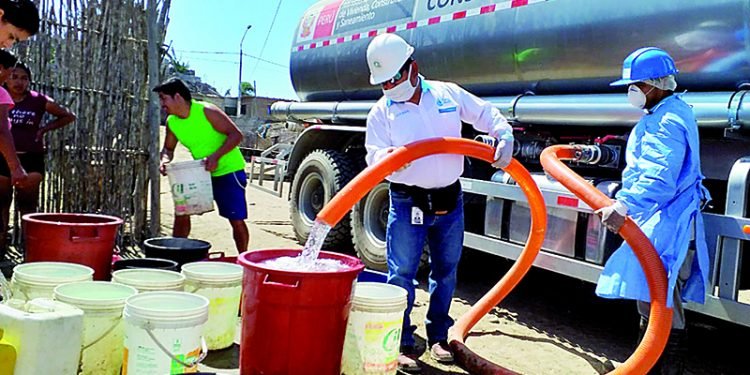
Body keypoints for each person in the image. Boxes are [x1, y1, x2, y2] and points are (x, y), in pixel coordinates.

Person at [364, 33, 514, 373]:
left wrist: (502, 132)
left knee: (446, 272)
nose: (389, 85)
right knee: (401, 274)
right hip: (407, 201)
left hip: (449, 197)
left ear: (412, 67)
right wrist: (385, 158)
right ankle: (400, 342)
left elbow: (485, 114)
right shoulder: (381, 112)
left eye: (394, 77)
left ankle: (440, 336)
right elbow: (372, 155)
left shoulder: (447, 93)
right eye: (383, 81)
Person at [595, 47, 710, 374]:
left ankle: (662, 370)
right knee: (654, 299)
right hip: (662, 223)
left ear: (657, 84)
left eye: (637, 84)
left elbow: (660, 176)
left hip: (668, 225)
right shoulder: (665, 114)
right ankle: (647, 367)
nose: (632, 92)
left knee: (662, 303)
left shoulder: (667, 120)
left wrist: (625, 204)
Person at [153, 78, 250, 253]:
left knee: (235, 219)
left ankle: (243, 259)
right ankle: (176, 255)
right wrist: (165, 160)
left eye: (163, 98)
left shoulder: (206, 111)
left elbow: (236, 135)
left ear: (177, 97)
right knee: (182, 212)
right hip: (200, 172)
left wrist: (216, 157)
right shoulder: (172, 122)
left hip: (229, 170)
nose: (161, 104)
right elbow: (168, 148)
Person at [0, 62, 76, 254]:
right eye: (14, 76)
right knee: (1, 204)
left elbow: (68, 116)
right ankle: (1, 249)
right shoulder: (1, 97)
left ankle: (30, 249)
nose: (18, 82)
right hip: (1, 159)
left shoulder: (39, 100)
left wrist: (43, 129)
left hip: (31, 159)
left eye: (24, 78)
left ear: (30, 81)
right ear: (6, 77)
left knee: (27, 206)